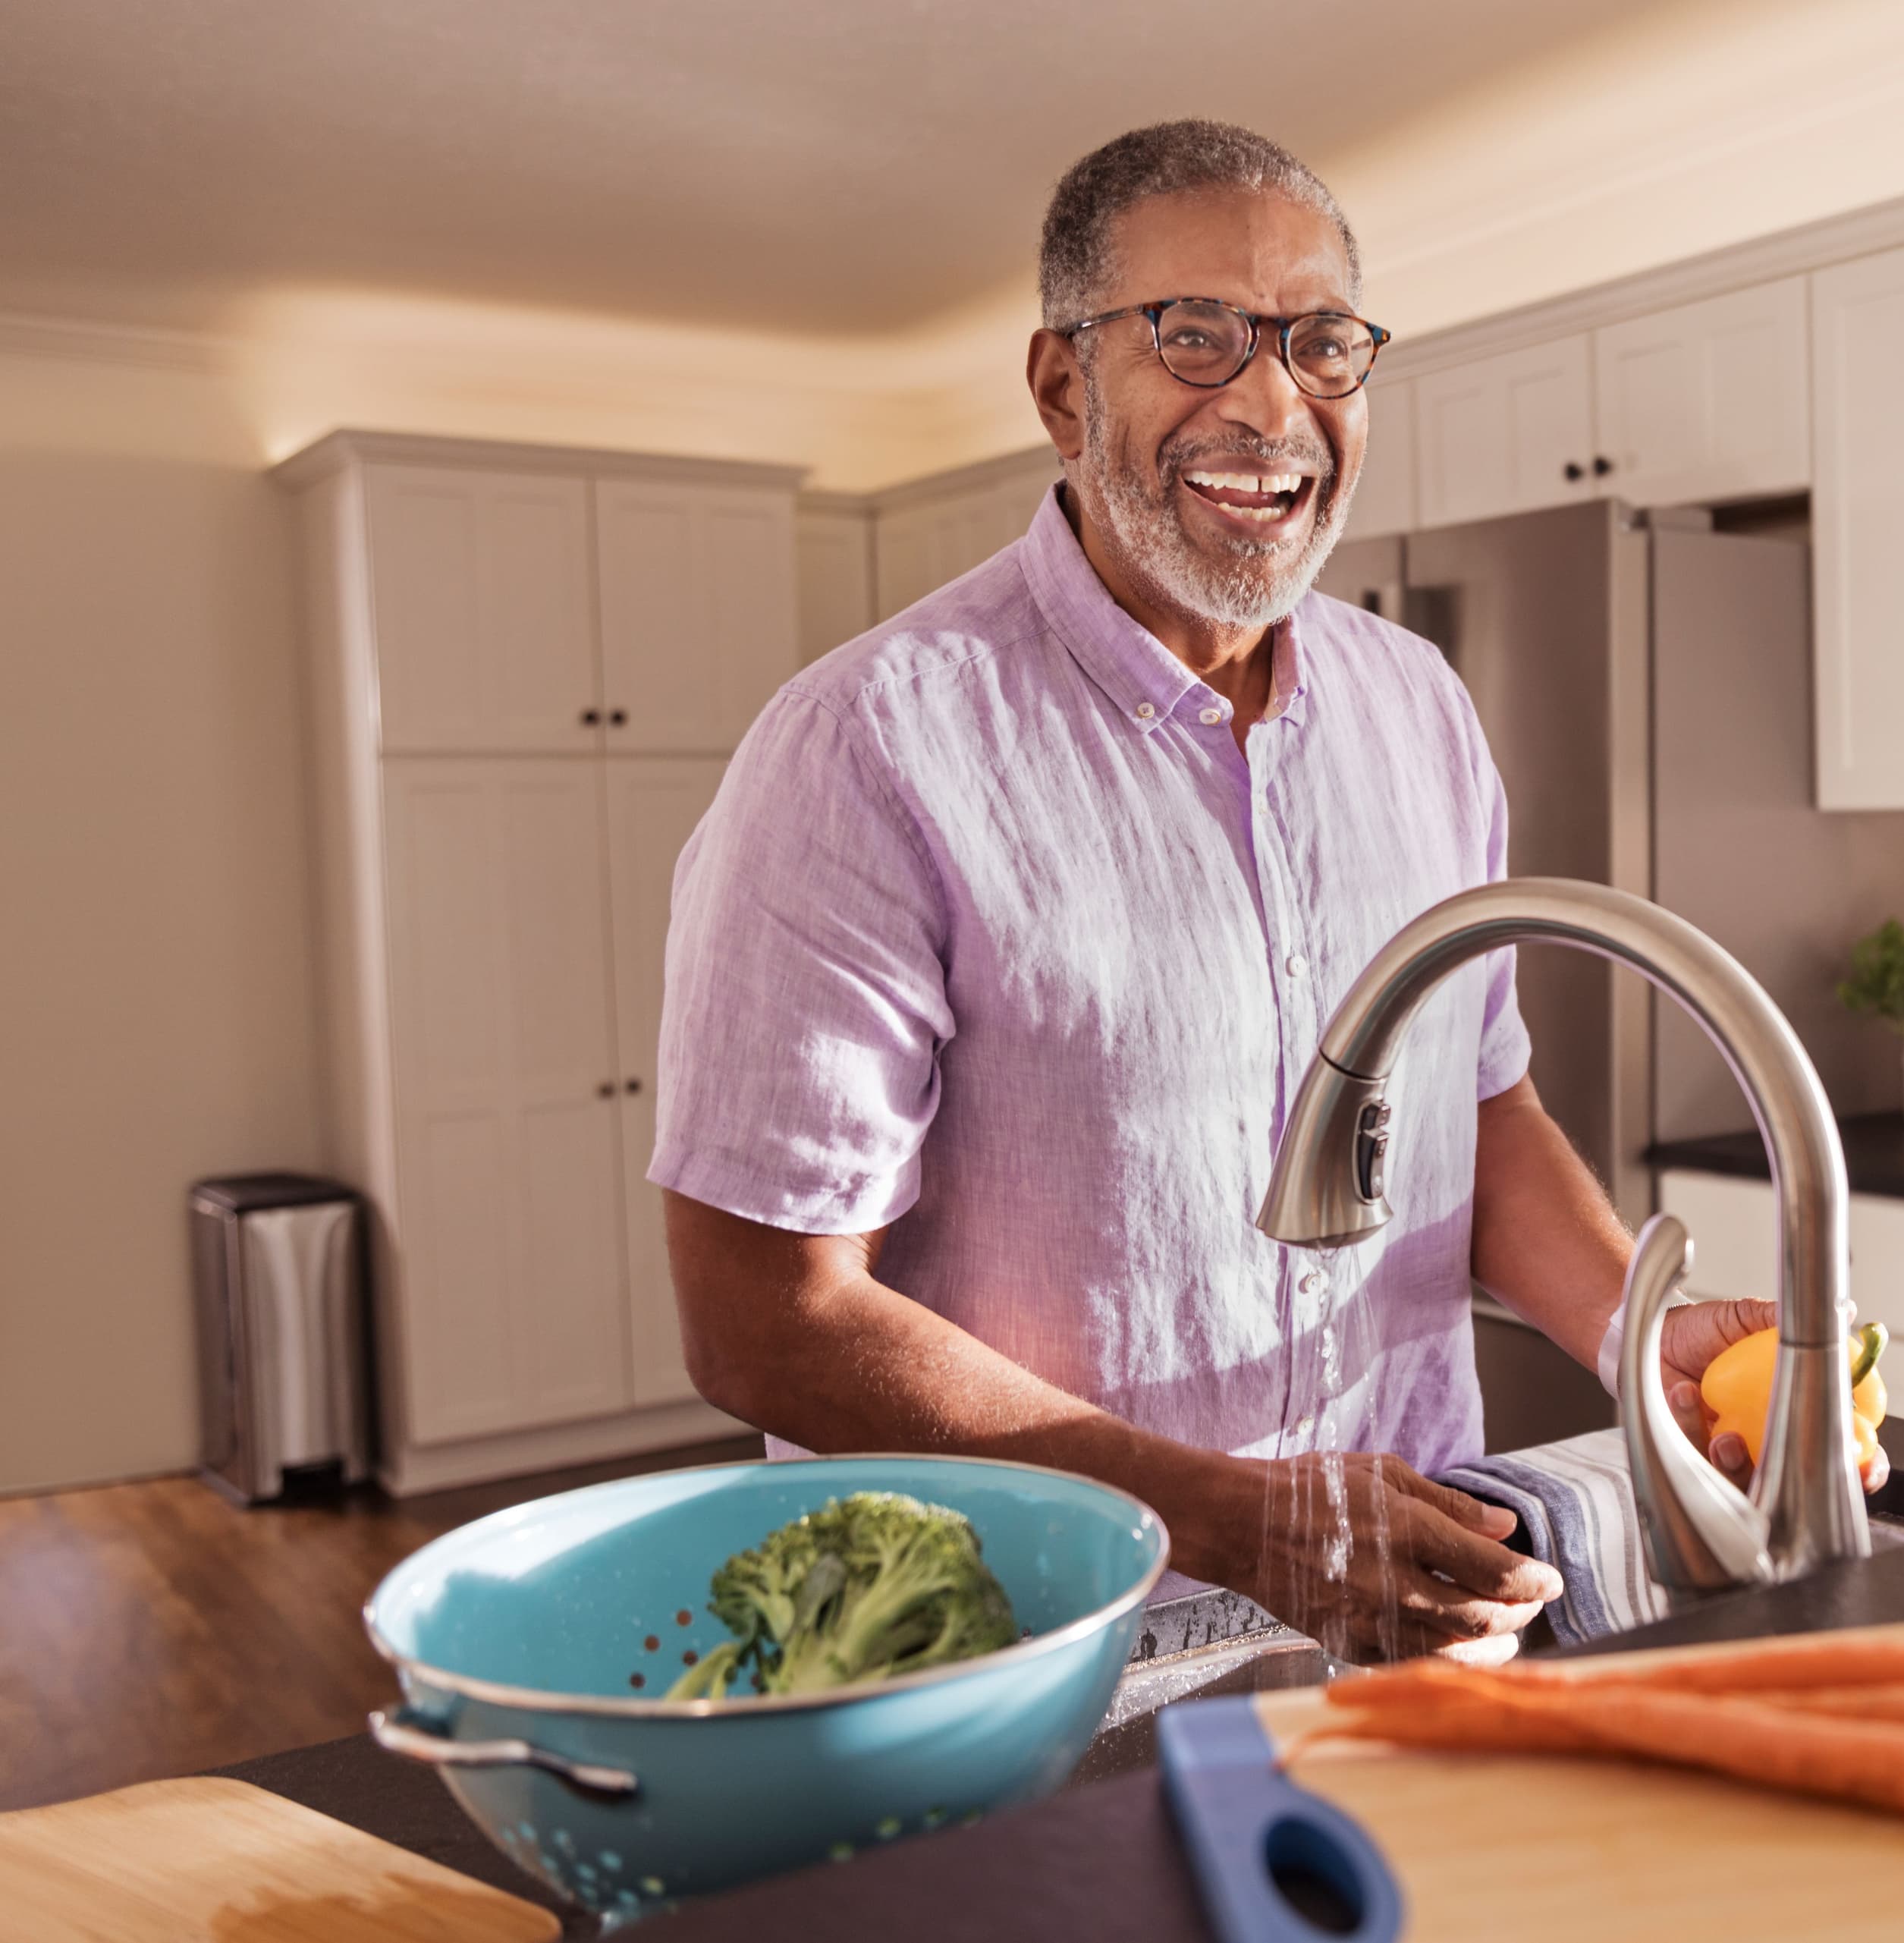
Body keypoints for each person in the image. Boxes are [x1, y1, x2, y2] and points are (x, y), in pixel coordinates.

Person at [653, 121, 1802, 1665]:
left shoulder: (1419, 706)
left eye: (1324, 345)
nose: (1271, 405)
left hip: (1413, 1586)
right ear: (1066, 385)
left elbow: (1475, 1105)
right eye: (1195, 338)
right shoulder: (868, 747)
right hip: (1016, 1642)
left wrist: (1630, 1333)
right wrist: (1242, 1523)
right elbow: (763, 1316)